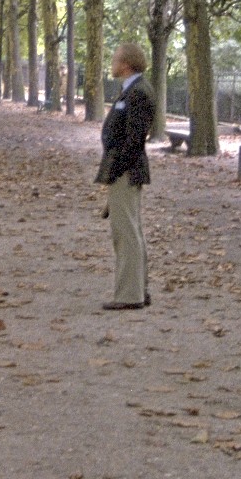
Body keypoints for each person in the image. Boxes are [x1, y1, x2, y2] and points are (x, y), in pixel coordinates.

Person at [95, 42, 155, 310]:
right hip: (124, 168)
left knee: (126, 233)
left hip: (127, 170)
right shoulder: (131, 89)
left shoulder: (139, 92)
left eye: (116, 58)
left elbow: (134, 140)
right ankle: (138, 289)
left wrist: (115, 171)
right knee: (131, 230)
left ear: (127, 63)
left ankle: (130, 295)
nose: (112, 61)